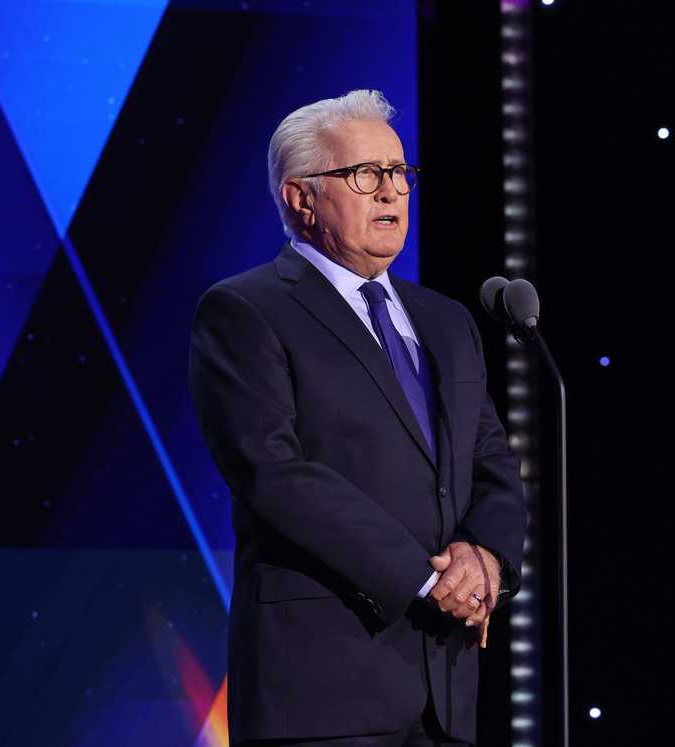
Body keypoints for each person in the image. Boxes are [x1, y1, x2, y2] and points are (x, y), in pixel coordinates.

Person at [188, 89, 526, 747]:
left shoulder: (447, 321)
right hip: (320, 690)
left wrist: (485, 558)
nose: (391, 193)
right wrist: (427, 576)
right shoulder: (245, 311)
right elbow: (275, 474)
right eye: (366, 174)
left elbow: (492, 462)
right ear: (300, 197)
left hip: (445, 690)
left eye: (400, 173)